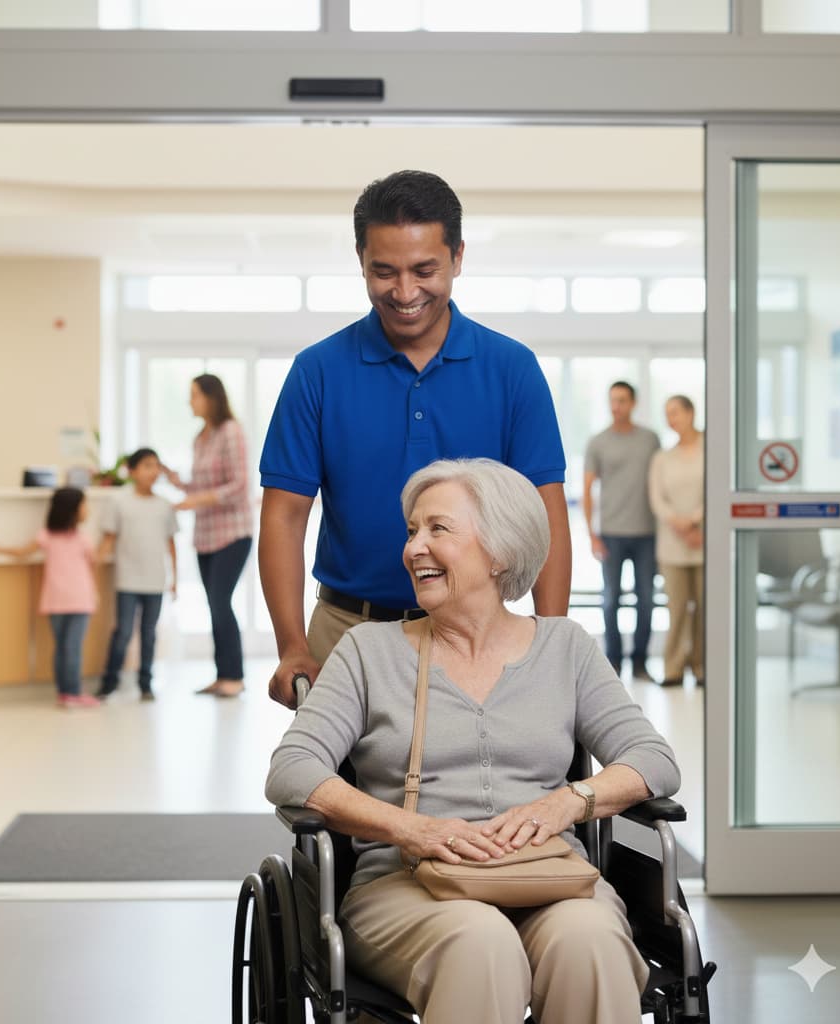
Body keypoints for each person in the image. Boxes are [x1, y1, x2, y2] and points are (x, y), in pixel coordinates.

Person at [266, 458, 679, 1024]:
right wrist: (414, 829)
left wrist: (568, 802)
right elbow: (291, 768)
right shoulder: (369, 651)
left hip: (548, 876)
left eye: (438, 529)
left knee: (592, 943)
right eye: (412, 531)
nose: (414, 548)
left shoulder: (565, 648)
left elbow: (652, 758)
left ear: (501, 550)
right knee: (480, 942)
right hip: (406, 884)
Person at [259, 169, 571, 707]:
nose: (405, 293)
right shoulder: (317, 372)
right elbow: (284, 517)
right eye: (384, 272)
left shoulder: (512, 369)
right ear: (360, 260)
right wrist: (291, 646)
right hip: (345, 633)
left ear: (457, 257)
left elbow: (547, 512)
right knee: (336, 793)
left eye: (424, 269)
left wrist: (551, 641)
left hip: (480, 633)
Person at [163, 374, 253, 698]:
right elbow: (200, 487)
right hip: (206, 536)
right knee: (214, 605)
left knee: (220, 602)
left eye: (194, 395)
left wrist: (197, 499)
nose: (190, 401)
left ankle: (235, 677)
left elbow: (240, 485)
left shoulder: (232, 431)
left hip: (233, 533)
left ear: (211, 397)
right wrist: (179, 483)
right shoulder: (201, 437)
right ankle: (222, 675)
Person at [0, 487, 100, 709]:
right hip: (76, 600)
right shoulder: (75, 538)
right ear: (73, 510)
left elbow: (22, 552)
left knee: (64, 648)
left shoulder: (55, 536)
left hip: (62, 600)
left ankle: (66, 693)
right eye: (84, 505)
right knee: (71, 648)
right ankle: (71, 693)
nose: (87, 510)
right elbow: (92, 565)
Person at [582, 381, 661, 681]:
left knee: (646, 598)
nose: (617, 406)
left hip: (647, 533)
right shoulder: (598, 442)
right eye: (612, 401)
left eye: (622, 401)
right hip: (611, 533)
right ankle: (613, 662)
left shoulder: (650, 440)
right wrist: (592, 534)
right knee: (611, 599)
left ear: (634, 403)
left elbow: (661, 481)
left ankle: (640, 662)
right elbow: (588, 489)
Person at [96, 447, 178, 701]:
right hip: (127, 579)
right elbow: (109, 537)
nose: (153, 471)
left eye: (156, 465)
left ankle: (146, 684)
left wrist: (174, 578)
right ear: (132, 471)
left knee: (149, 634)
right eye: (146, 466)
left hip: (155, 581)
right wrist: (95, 561)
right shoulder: (119, 501)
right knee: (122, 633)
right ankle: (109, 683)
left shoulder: (165, 505)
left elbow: (171, 543)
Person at [648, 395, 704, 687]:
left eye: (676, 412)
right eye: (667, 414)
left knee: (706, 609)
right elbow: (657, 499)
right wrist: (681, 524)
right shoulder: (662, 458)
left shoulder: (712, 450)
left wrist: (696, 521)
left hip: (706, 541)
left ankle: (702, 667)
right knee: (677, 609)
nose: (672, 419)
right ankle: (673, 668)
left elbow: (718, 489)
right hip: (672, 544)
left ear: (691, 412)